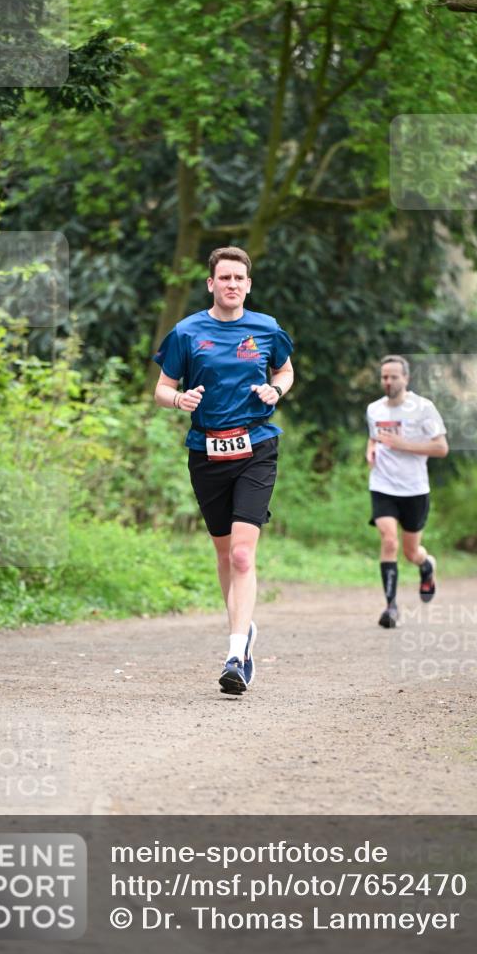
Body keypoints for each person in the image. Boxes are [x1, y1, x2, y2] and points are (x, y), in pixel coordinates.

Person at [153, 246, 294, 693]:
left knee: (241, 554)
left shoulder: (267, 328)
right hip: (207, 451)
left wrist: (276, 390)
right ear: (211, 284)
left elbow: (286, 371)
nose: (232, 284)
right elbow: (161, 387)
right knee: (221, 552)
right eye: (224, 278)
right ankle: (244, 627)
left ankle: (236, 653)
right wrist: (179, 400)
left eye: (239, 278)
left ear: (248, 285)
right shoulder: (187, 332)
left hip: (256, 444)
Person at [366, 355, 448, 628]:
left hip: (414, 489)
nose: (387, 382)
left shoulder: (423, 408)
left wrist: (403, 444)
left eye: (393, 377)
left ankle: (426, 566)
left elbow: (441, 448)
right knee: (389, 541)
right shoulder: (374, 409)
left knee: (411, 552)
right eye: (384, 377)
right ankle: (390, 607)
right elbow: (375, 435)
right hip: (383, 485)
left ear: (406, 379)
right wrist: (371, 448)